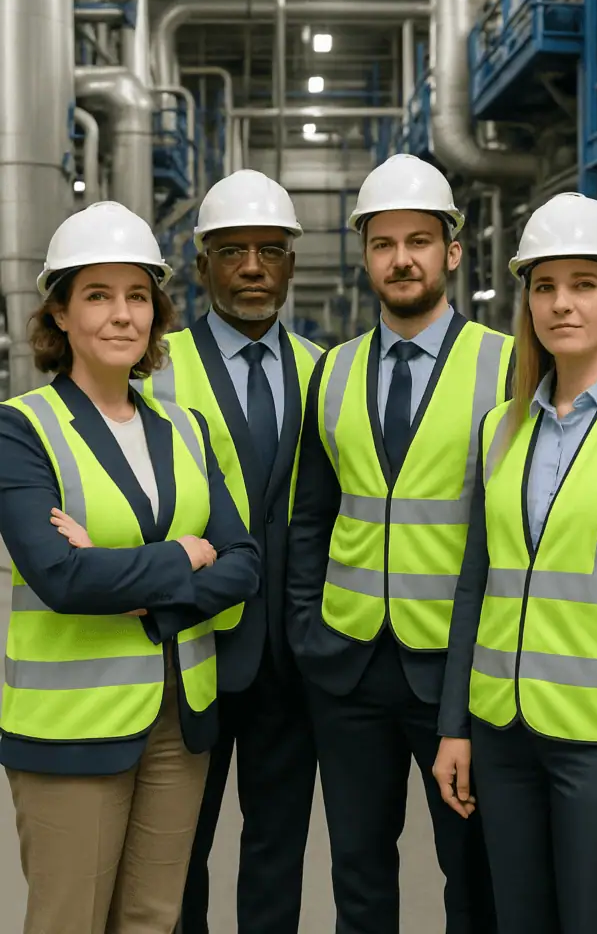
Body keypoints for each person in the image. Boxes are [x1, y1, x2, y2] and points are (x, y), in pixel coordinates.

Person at [0, 200, 261, 934]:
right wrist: (181, 555)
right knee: (68, 921)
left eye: (137, 296)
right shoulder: (23, 429)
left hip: (180, 719)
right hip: (71, 728)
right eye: (97, 295)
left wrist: (140, 588)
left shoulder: (185, 428)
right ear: (58, 315)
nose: (122, 315)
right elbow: (61, 579)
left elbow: (242, 563)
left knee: (152, 919)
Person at [434, 192, 597, 934]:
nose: (561, 304)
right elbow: (474, 585)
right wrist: (455, 727)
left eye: (583, 284)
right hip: (502, 737)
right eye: (543, 286)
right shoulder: (499, 429)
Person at [286, 153, 512, 934]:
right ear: (365, 255)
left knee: (472, 868)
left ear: (452, 250)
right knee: (357, 869)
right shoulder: (334, 372)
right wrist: (307, 632)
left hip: (456, 671)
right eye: (384, 243)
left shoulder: (509, 365)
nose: (402, 258)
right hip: (347, 666)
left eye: (419, 240)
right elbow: (310, 516)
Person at [142, 170, 321, 934]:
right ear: (201, 260)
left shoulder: (325, 370)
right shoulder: (156, 368)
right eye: (232, 251)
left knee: (278, 851)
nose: (253, 267)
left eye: (270, 251)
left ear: (290, 263)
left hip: (295, 660)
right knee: (177, 856)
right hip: (193, 656)